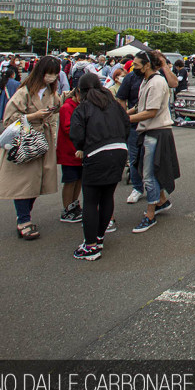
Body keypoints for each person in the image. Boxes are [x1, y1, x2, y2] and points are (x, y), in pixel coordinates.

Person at [0, 56, 62, 240]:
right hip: (25, 139)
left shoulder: (50, 91)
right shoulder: (24, 92)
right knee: (24, 182)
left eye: (55, 74)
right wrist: (34, 116)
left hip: (42, 139)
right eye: (49, 73)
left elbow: (57, 106)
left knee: (37, 182)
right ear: (41, 72)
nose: (52, 77)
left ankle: (23, 216)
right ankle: (24, 220)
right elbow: (8, 119)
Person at [69, 73, 130, 261]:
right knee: (107, 197)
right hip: (119, 150)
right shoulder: (113, 105)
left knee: (90, 200)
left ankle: (90, 246)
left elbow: (76, 135)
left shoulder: (83, 108)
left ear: (80, 91)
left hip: (96, 154)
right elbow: (127, 125)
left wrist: (81, 148)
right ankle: (99, 237)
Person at [128, 50, 180, 233]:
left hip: (155, 132)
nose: (134, 68)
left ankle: (150, 215)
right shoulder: (147, 80)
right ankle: (161, 201)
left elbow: (151, 111)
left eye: (136, 64)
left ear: (147, 64)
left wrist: (122, 120)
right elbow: (139, 107)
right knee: (148, 171)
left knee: (148, 175)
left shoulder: (157, 82)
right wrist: (122, 114)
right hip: (150, 131)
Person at [115, 61, 146, 204]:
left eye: (138, 64)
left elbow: (174, 83)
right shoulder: (131, 77)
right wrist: (124, 117)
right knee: (134, 158)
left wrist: (164, 65)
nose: (136, 67)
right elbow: (121, 97)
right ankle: (137, 188)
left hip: (152, 126)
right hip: (134, 125)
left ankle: (157, 189)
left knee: (154, 159)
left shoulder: (156, 77)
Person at [56, 84, 83, 224]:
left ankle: (74, 205)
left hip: (79, 150)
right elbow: (68, 128)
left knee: (79, 179)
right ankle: (67, 209)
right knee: (70, 180)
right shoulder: (67, 107)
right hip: (69, 150)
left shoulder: (78, 106)